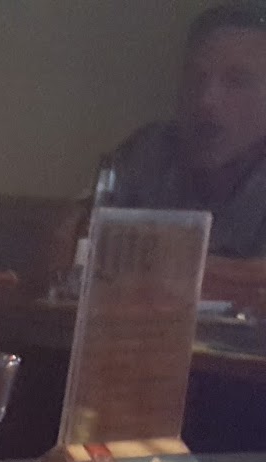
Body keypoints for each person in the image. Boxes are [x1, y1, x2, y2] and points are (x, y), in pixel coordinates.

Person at [108, 3, 266, 302]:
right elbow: (73, 249)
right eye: (197, 78)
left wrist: (146, 267)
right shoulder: (148, 151)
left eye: (236, 81)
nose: (206, 100)